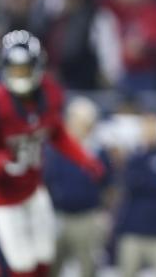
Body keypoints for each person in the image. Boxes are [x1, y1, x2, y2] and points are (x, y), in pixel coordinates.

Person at [0, 30, 104, 277]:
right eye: (14, 68)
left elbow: (56, 133)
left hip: (33, 188)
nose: (19, 75)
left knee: (45, 257)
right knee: (21, 265)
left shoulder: (51, 93)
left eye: (24, 68)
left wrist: (83, 159)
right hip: (3, 197)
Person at [44, 96, 111, 277]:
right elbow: (46, 179)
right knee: (51, 265)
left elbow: (107, 183)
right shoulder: (55, 149)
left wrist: (103, 212)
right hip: (58, 215)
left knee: (88, 266)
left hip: (87, 216)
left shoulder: (97, 150)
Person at [115, 113, 156, 277]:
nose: (149, 132)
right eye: (146, 128)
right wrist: (149, 179)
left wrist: (142, 180)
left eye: (153, 127)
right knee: (126, 272)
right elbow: (129, 182)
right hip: (133, 227)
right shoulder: (134, 157)